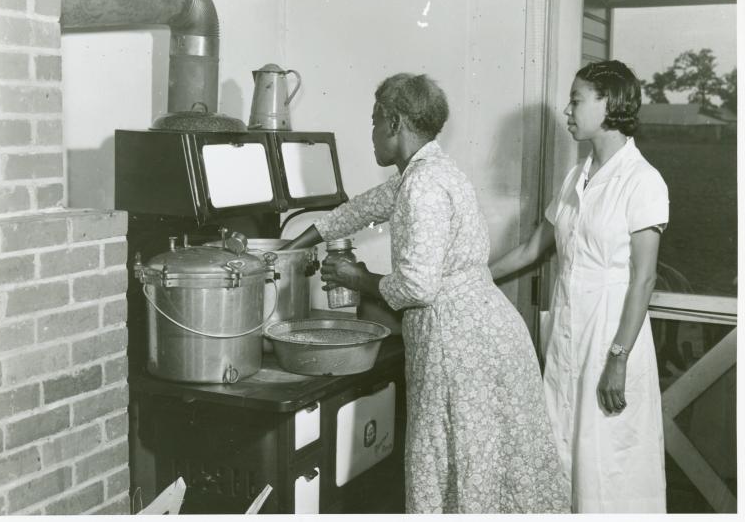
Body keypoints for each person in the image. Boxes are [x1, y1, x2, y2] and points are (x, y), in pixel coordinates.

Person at [283, 73, 570, 514]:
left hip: (457, 343)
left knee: (456, 457)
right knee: (494, 461)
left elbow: (417, 284)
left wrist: (355, 276)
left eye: (376, 120)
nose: (372, 131)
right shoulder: (429, 170)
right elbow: (358, 210)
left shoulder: (422, 185)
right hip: (485, 330)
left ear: (395, 123)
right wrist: (290, 249)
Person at [490, 60, 668, 513]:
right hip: (569, 333)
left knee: (609, 466)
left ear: (609, 103)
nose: (567, 110)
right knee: (562, 455)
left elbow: (643, 279)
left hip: (612, 337)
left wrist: (618, 358)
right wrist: (474, 276)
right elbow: (533, 248)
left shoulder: (643, 181)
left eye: (576, 99)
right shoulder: (576, 177)